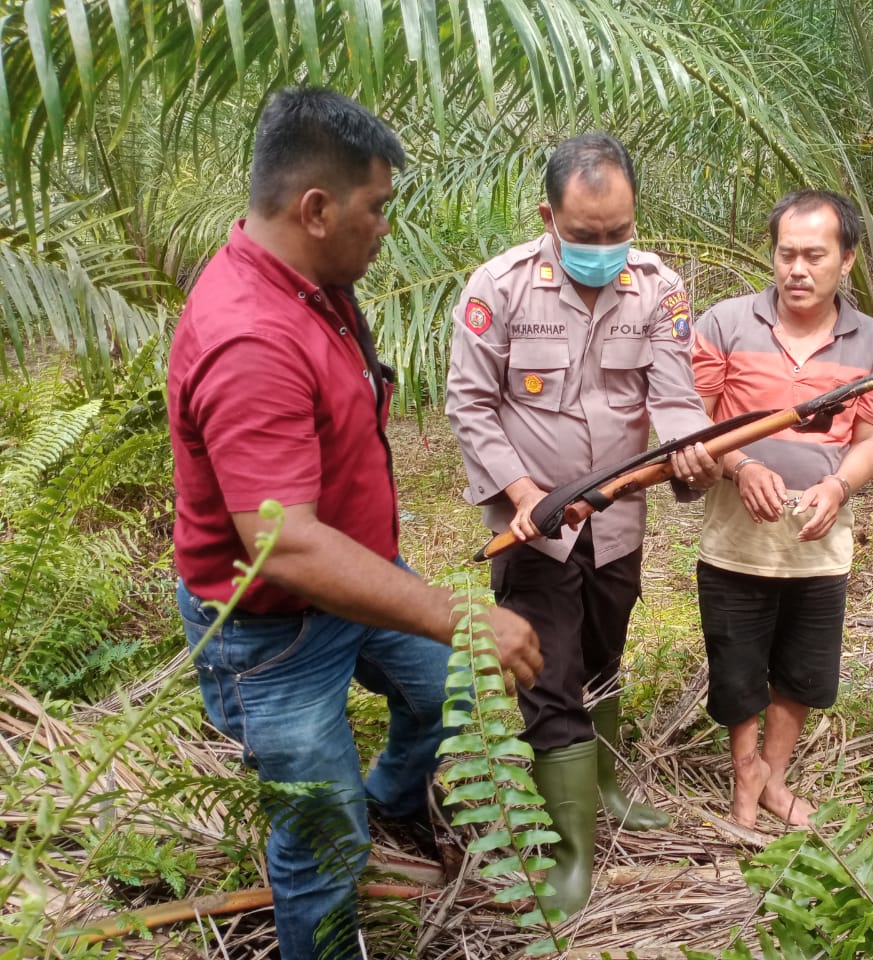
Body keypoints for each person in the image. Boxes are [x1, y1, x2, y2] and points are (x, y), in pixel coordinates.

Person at [168, 88, 542, 960]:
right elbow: (285, 545)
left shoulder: (314, 285)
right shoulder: (251, 339)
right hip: (272, 635)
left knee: (449, 693)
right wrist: (462, 616)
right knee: (323, 841)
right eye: (376, 207)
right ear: (316, 209)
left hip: (356, 578)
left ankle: (391, 800)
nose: (385, 227)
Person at [445, 132, 720, 914]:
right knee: (550, 671)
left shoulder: (659, 288)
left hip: (618, 517)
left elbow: (674, 395)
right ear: (549, 217)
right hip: (534, 526)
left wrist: (688, 447)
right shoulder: (499, 288)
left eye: (618, 231)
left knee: (603, 650)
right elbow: (470, 403)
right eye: (585, 234)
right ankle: (569, 855)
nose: (604, 248)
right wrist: (523, 492)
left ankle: (603, 786)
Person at [691, 190, 873, 829]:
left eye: (815, 255)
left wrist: (837, 487)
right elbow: (694, 423)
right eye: (786, 255)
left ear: (847, 259)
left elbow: (870, 441)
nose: (797, 270)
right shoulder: (724, 324)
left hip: (819, 544)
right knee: (737, 668)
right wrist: (741, 465)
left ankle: (772, 778)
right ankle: (745, 777)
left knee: (803, 671)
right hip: (735, 542)